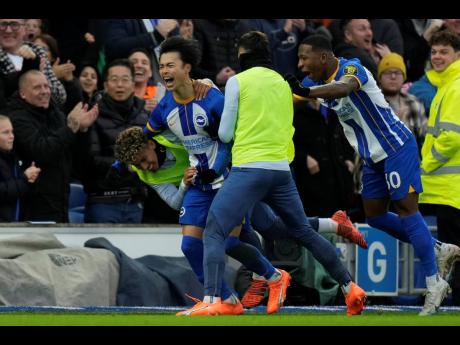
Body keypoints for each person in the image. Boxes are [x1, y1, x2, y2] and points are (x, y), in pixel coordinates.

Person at [172, 31, 366, 317]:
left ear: (242, 55)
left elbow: (225, 133)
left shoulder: (238, 81)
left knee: (214, 230)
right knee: (299, 231)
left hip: (249, 168)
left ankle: (214, 299)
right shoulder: (283, 82)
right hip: (280, 170)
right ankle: (350, 288)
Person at [285, 34, 457, 315]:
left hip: (396, 146)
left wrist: (308, 93)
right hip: (372, 157)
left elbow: (343, 88)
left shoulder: (352, 69)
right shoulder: (315, 84)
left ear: (324, 57)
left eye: (305, 58)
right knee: (375, 216)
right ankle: (438, 248)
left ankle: (434, 282)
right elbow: (287, 98)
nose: (302, 65)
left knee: (406, 208)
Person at [115, 125, 367, 310]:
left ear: (150, 144)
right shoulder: (144, 173)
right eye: (139, 165)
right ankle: (332, 225)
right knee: (269, 228)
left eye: (144, 160)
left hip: (232, 177)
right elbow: (174, 201)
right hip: (201, 192)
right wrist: (183, 184)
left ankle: (264, 277)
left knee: (250, 233)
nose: (146, 167)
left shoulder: (173, 137)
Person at [144, 36, 292, 316]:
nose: (163, 71)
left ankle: (272, 276)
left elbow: (230, 138)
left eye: (170, 65)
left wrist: (218, 167)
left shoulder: (212, 96)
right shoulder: (165, 106)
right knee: (190, 245)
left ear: (187, 68)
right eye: (161, 66)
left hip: (229, 179)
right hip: (199, 183)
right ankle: (229, 299)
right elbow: (145, 133)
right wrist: (122, 159)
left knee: (233, 239)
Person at [7, 70, 98, 222]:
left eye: (46, 86)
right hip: (32, 204)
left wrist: (82, 131)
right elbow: (41, 151)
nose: (44, 91)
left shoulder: (57, 115)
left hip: (61, 199)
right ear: (23, 94)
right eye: (37, 88)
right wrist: (70, 128)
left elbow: (76, 156)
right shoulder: (17, 119)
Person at [419, 30, 460, 305]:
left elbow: (453, 136)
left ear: (457, 55)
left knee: (453, 253)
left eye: (444, 51)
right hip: (449, 188)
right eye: (434, 51)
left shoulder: (454, 87)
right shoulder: (448, 85)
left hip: (450, 188)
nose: (437, 56)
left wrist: (426, 164)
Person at [377, 53, 427, 151]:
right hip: (379, 164)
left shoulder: (414, 103)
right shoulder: (371, 103)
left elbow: (425, 137)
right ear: (380, 77)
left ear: (404, 77)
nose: (393, 76)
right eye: (388, 72)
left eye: (398, 72)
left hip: (409, 163)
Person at [0, 115, 41, 221]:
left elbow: (20, 191)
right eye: (6, 132)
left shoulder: (15, 158)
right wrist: (24, 179)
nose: (12, 136)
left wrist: (31, 181)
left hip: (16, 226)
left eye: (12, 132)